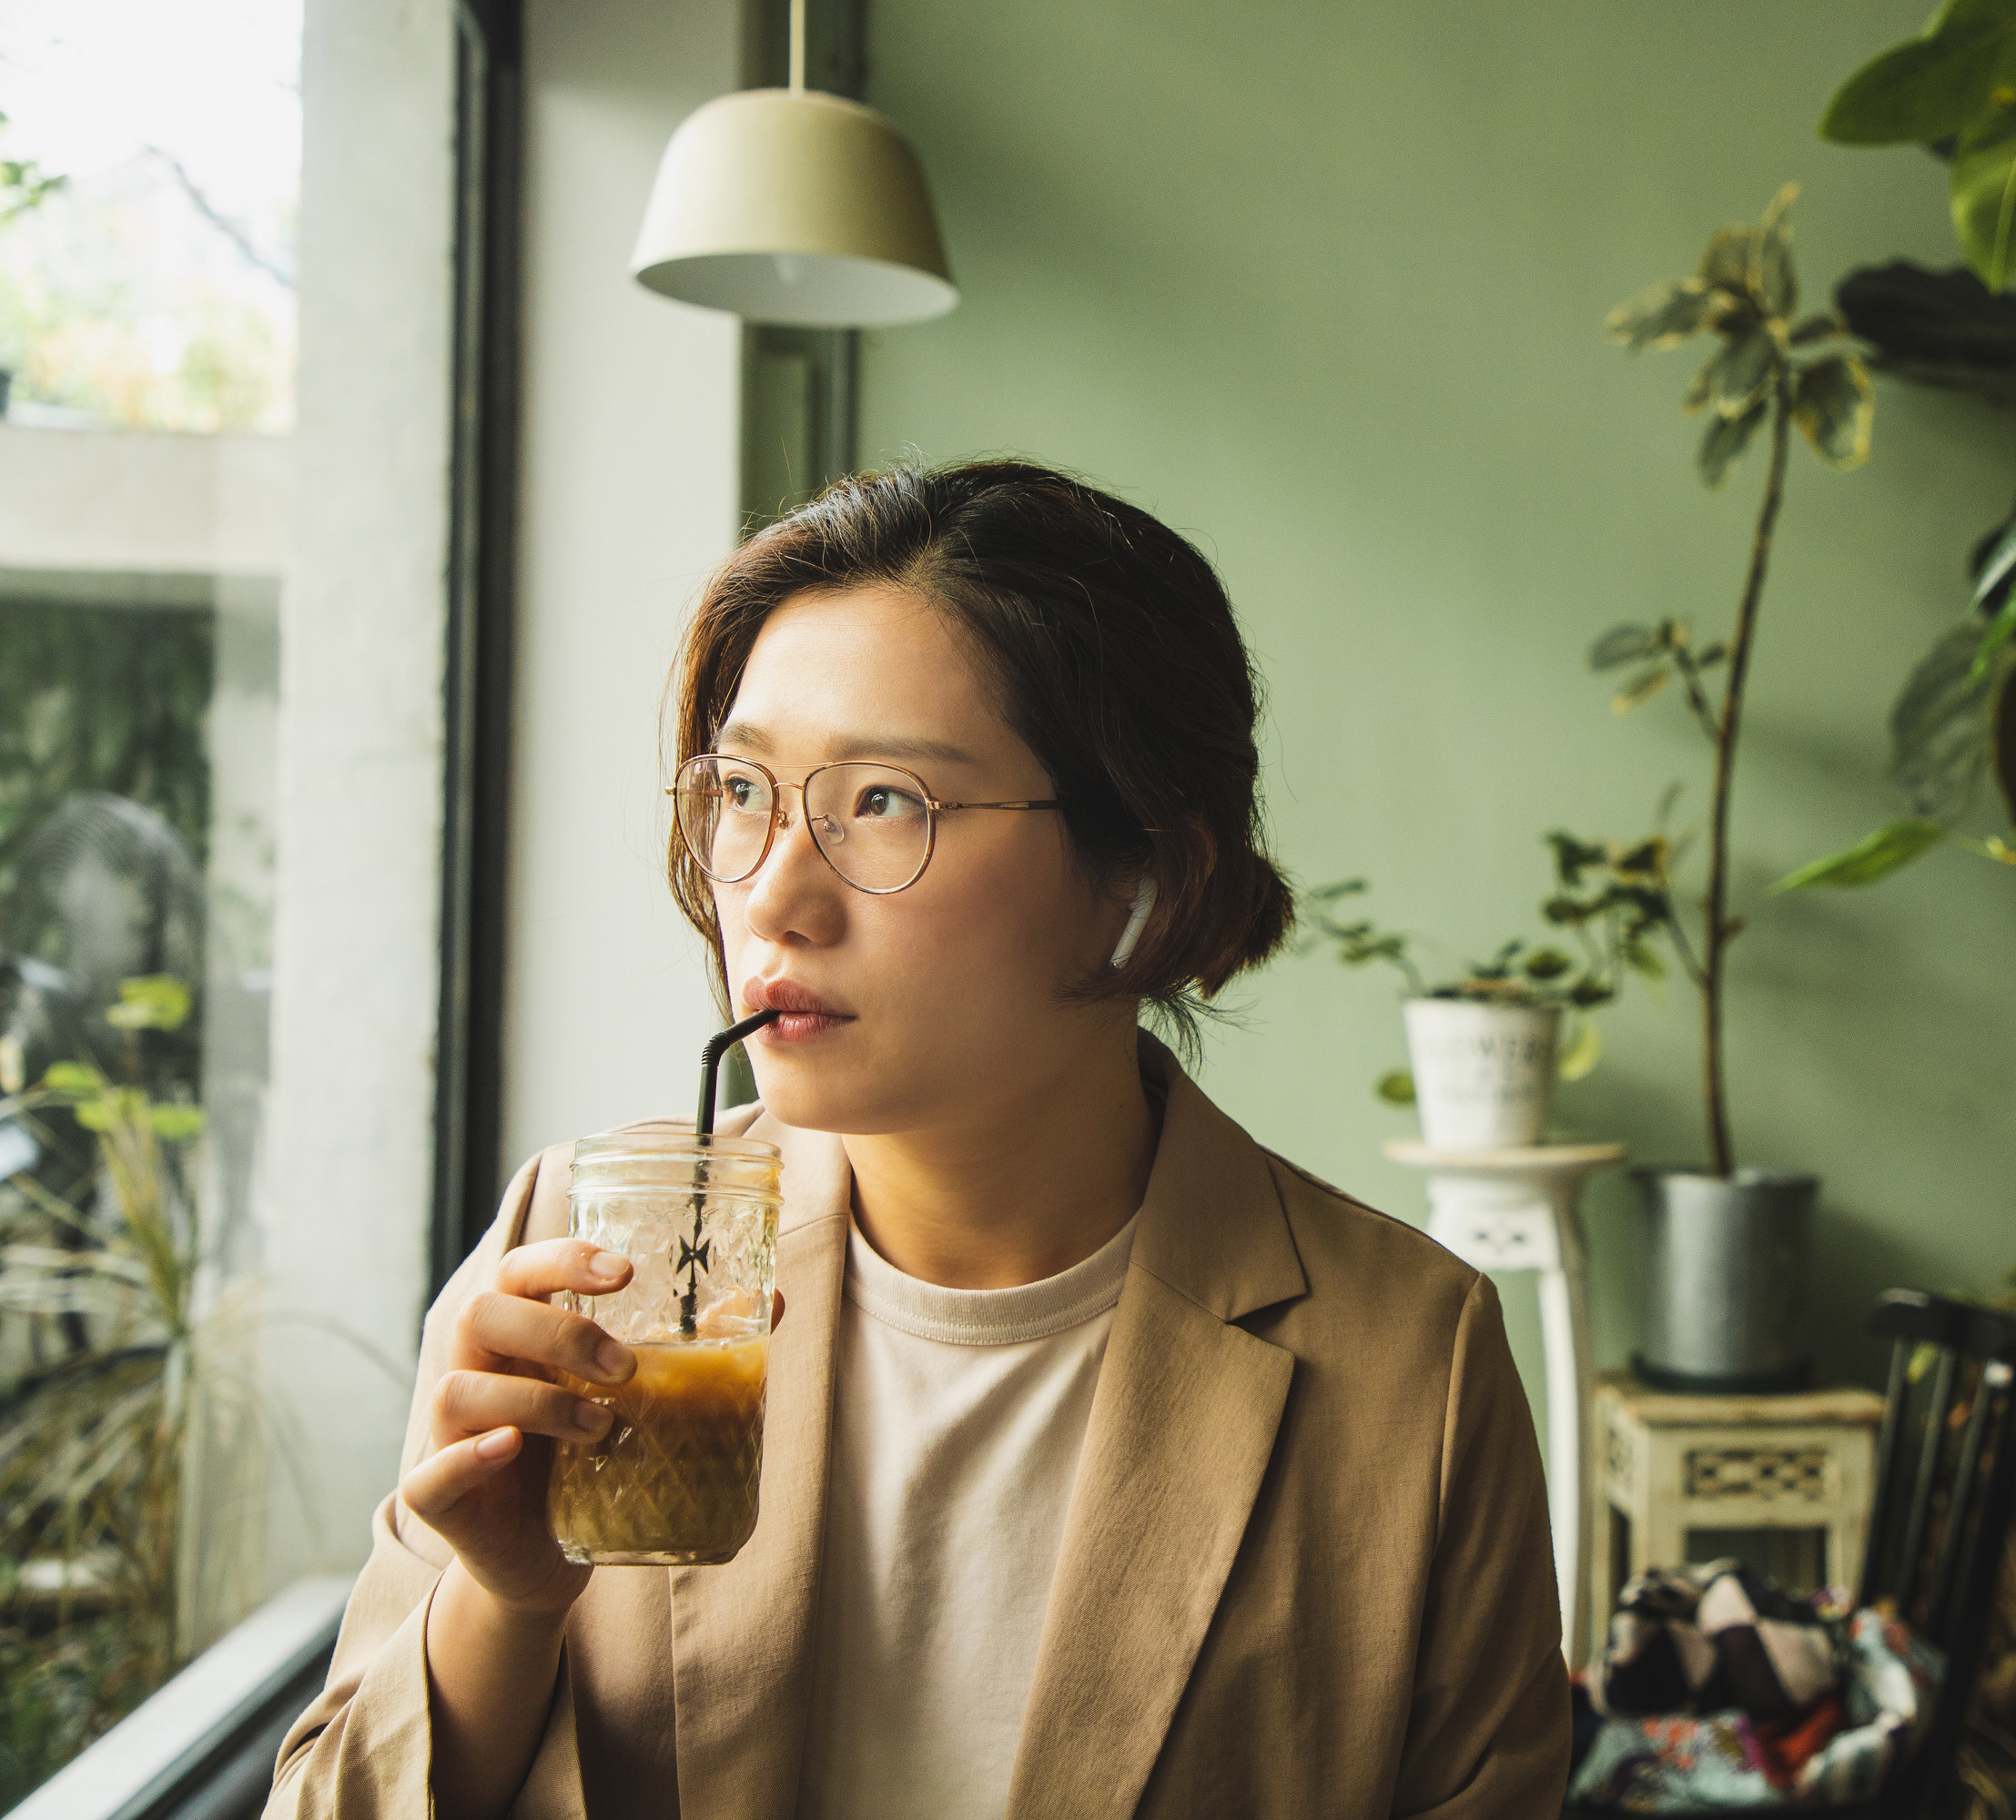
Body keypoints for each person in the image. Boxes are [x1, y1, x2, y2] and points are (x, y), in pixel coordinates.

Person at [268, 460, 1569, 1818]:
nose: (772, 895)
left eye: (886, 800)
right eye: (745, 792)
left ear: (1143, 875)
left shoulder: (1407, 1365)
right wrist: (503, 1601)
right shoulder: (588, 1252)